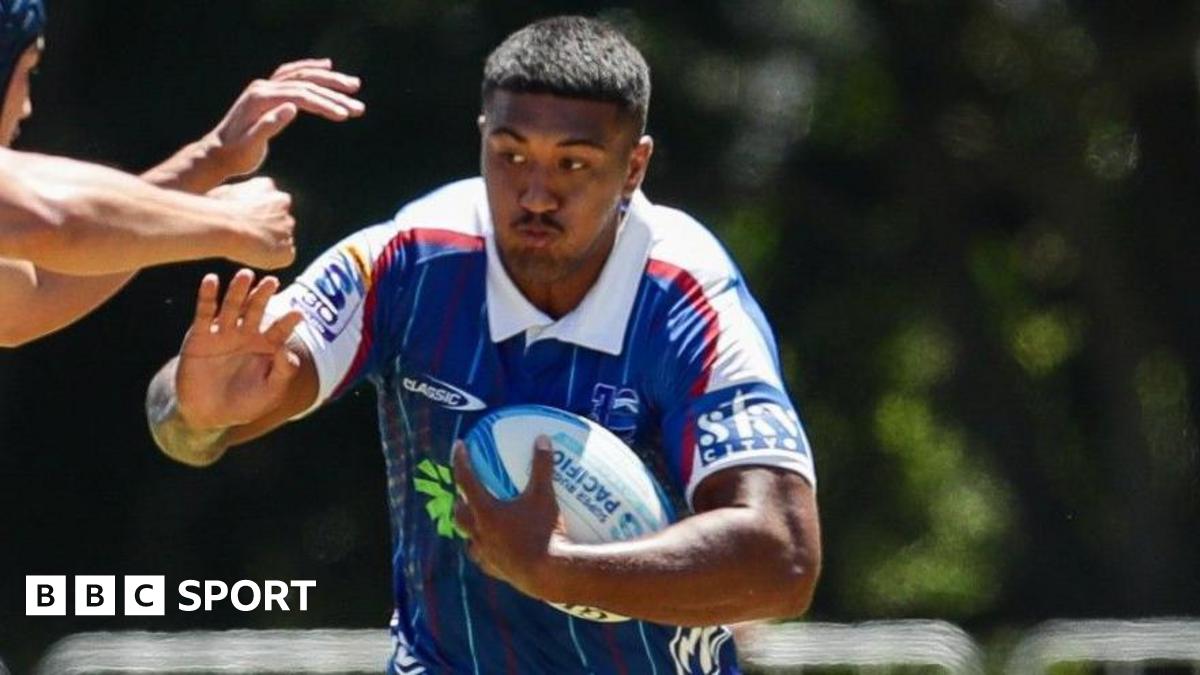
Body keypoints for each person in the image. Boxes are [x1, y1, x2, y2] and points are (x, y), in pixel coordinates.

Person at [146, 15, 820, 675]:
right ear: (481, 140)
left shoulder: (686, 297)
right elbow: (192, 419)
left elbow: (785, 559)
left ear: (633, 167)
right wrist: (198, 413)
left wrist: (555, 569)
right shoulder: (409, 261)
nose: (536, 194)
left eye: (573, 164)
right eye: (511, 154)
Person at [0, 0, 364, 346]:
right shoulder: (32, 217)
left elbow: (33, 297)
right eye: (29, 69)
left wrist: (211, 158)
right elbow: (50, 220)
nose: (27, 106)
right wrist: (234, 222)